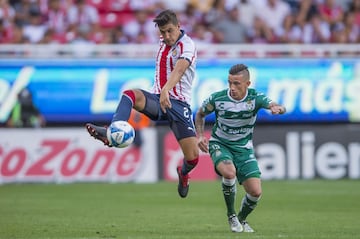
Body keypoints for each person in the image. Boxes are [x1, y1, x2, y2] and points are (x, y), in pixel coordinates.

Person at [85, 9, 199, 198]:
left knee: (193, 158)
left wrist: (166, 90)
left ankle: (184, 173)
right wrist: (160, 92)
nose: (166, 36)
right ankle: (112, 131)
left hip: (179, 105)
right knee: (130, 95)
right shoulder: (163, 43)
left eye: (170, 31)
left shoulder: (187, 45)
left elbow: (179, 70)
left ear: (179, 26)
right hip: (158, 99)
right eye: (162, 32)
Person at [194, 64, 286, 233]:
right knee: (229, 173)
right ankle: (231, 215)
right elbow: (200, 114)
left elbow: (276, 105)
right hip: (220, 143)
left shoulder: (255, 98)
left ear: (247, 84)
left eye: (236, 83)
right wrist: (200, 136)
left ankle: (242, 219)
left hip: (244, 148)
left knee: (255, 192)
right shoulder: (218, 98)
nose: (232, 87)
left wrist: (278, 108)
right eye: (230, 83)